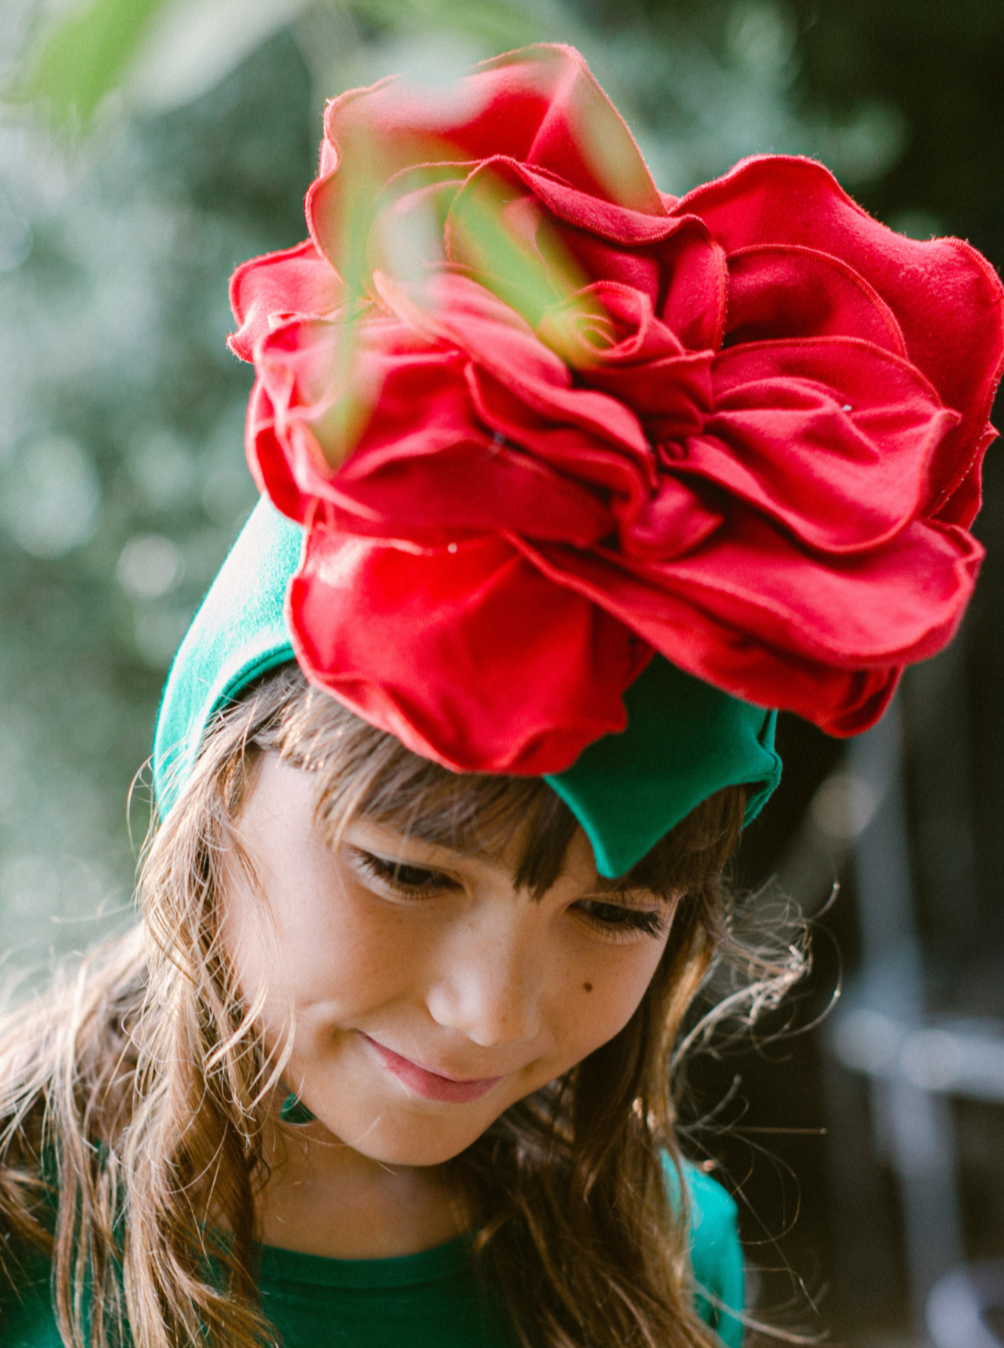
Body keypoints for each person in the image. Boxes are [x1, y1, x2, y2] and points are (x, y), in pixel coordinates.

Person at [1, 42, 1002, 1348]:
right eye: (409, 872)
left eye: (614, 910)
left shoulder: (664, 1262)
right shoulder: (24, 1242)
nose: (490, 1012)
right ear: (218, 776)